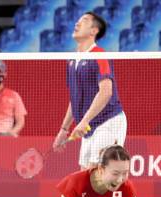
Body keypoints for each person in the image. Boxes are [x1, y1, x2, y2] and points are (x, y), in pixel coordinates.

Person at [53, 11, 127, 170]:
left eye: (84, 20)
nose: (77, 23)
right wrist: (64, 130)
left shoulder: (99, 55)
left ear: (94, 31)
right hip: (89, 127)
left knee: (98, 173)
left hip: (108, 121)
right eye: (78, 20)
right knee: (85, 176)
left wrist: (84, 120)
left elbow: (106, 92)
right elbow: (75, 99)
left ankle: (127, 195)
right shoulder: (72, 60)